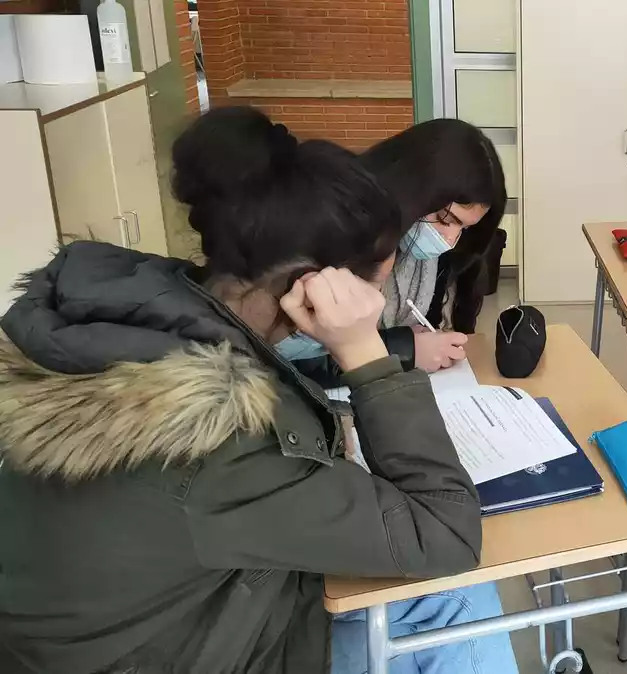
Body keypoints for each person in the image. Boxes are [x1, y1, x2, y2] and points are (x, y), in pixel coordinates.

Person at [0, 107, 518, 674]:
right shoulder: (216, 433)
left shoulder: (140, 308)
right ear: (319, 287)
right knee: (460, 595)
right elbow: (445, 535)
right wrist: (366, 352)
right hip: (183, 649)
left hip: (140, 621)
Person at [363, 118, 507, 370]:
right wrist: (405, 350)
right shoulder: (338, 236)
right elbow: (297, 362)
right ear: (410, 187)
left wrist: (425, 345)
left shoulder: (434, 255)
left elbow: (427, 324)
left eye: (465, 228)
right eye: (445, 218)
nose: (450, 240)